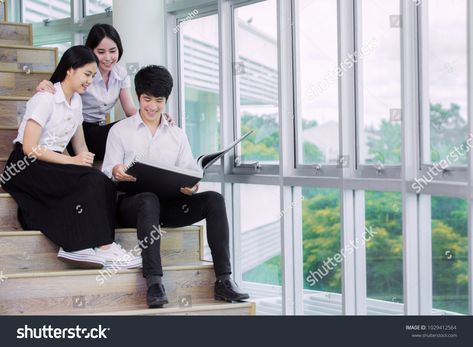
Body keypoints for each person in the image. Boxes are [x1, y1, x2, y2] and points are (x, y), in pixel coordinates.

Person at [102, 65, 249, 308]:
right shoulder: (120, 131)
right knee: (148, 199)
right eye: (147, 99)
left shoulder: (177, 134)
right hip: (131, 207)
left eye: (158, 101)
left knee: (215, 200)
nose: (152, 106)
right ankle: (154, 282)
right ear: (138, 96)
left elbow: (188, 171)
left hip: (167, 206)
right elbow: (107, 171)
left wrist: (191, 186)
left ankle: (224, 280)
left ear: (166, 100)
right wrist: (117, 171)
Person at [0, 45, 140, 269]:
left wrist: (83, 160)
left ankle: (103, 246)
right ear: (70, 70)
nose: (89, 81)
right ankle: (82, 244)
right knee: (90, 181)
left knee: (102, 182)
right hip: (26, 164)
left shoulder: (76, 102)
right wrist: (72, 162)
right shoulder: (45, 98)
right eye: (87, 74)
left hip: (51, 161)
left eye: (93, 76)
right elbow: (29, 147)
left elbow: (79, 144)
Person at [35, 24, 173, 160]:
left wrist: (157, 116)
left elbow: (130, 110)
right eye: (101, 52)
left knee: (134, 125)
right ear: (90, 51)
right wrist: (45, 84)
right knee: (121, 129)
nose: (108, 57)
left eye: (113, 51)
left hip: (98, 130)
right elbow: (60, 89)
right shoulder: (83, 74)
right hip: (75, 131)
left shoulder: (121, 74)